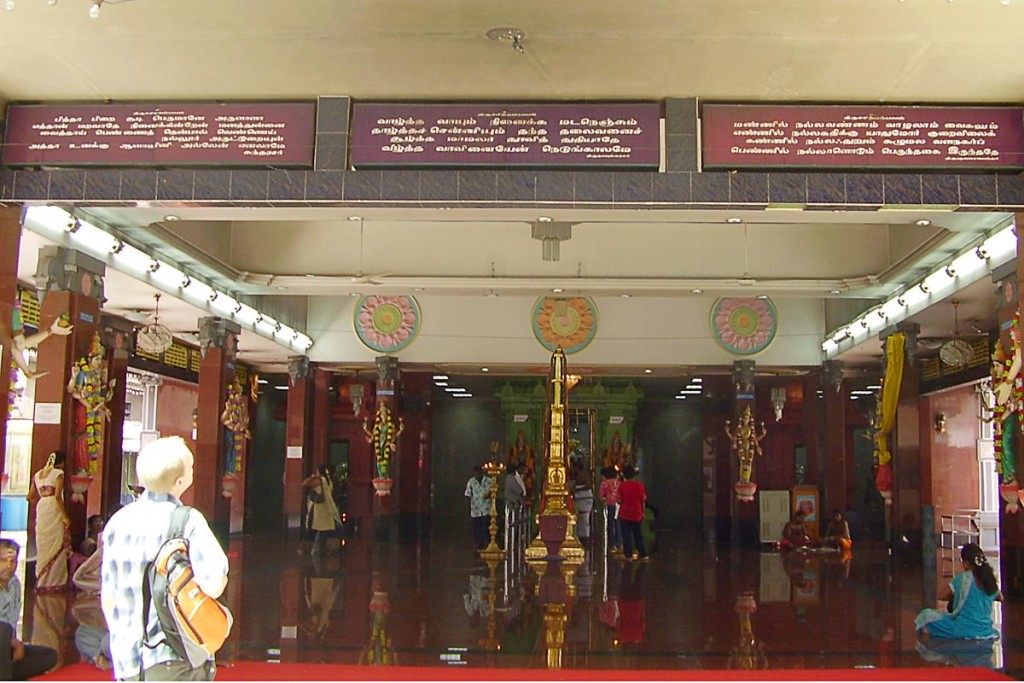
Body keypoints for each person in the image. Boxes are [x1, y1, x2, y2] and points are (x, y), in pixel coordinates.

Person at [101, 436, 229, 681]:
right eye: (190, 467)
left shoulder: (117, 522)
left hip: (127, 659)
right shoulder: (186, 520)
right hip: (172, 655)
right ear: (181, 480)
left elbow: (108, 596)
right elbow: (214, 582)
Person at [915, 543, 1002, 641]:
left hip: (963, 629)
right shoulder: (989, 580)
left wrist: (960, 595)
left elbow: (942, 595)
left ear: (966, 563)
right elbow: (1000, 598)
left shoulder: (963, 579)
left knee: (926, 616)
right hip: (985, 630)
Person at [0, 539, 57, 680]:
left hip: (6, 648)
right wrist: (16, 644)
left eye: (13, 561)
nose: (8, 566)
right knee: (3, 630)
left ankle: (6, 671)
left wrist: (14, 646)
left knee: (49, 656)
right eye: (3, 561)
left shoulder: (15, 584)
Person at [26, 450, 71, 594]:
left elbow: (29, 497)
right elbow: (58, 496)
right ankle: (54, 582)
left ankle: (41, 581)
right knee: (56, 544)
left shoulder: (37, 475)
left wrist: (42, 502)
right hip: (53, 507)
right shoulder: (59, 474)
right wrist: (64, 517)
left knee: (44, 545)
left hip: (42, 507)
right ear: (61, 462)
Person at [301, 464, 344, 556]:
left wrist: (312, 477)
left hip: (318, 511)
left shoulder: (319, 481)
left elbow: (304, 484)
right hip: (326, 509)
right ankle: (331, 549)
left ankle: (306, 549)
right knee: (328, 530)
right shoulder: (329, 481)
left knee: (312, 529)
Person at [618, 466, 650, 562]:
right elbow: (642, 501)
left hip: (625, 513)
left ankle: (629, 556)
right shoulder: (639, 485)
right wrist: (643, 512)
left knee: (626, 535)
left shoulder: (622, 485)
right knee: (638, 534)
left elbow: (619, 500)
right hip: (637, 512)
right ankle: (643, 554)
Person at [465, 465, 492, 550]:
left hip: (486, 510)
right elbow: (468, 496)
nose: (477, 474)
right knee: (477, 530)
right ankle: (479, 545)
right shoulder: (471, 482)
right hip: (475, 511)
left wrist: (489, 495)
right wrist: (468, 511)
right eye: (476, 472)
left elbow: (493, 492)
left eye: (479, 472)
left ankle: (486, 544)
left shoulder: (488, 481)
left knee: (486, 528)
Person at [599, 467, 622, 556]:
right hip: (619, 505)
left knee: (610, 523)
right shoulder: (619, 482)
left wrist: (604, 500)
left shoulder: (605, 483)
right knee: (618, 523)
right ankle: (619, 543)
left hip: (610, 504)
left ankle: (612, 545)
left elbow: (601, 495)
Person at [572, 464, 595, 544]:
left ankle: (586, 536)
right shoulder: (576, 476)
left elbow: (589, 485)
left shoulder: (584, 475)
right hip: (579, 498)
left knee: (585, 518)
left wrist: (578, 489)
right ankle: (580, 535)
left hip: (585, 498)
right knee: (580, 519)